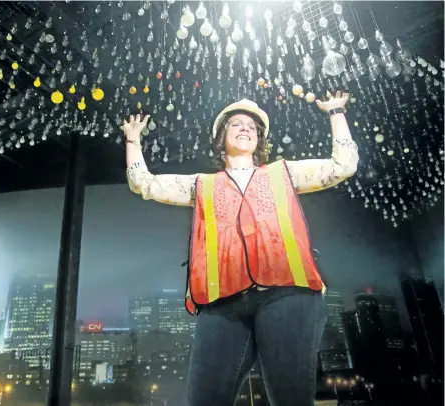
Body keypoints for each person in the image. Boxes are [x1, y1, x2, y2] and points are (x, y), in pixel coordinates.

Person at [124, 90, 359, 406]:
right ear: (221, 138)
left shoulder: (284, 173)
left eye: (251, 126)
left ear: (259, 139)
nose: (245, 128)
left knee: (290, 399)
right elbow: (144, 184)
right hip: (221, 303)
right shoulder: (201, 185)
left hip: (287, 294)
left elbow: (342, 166)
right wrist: (132, 140)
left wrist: (335, 113)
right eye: (236, 124)